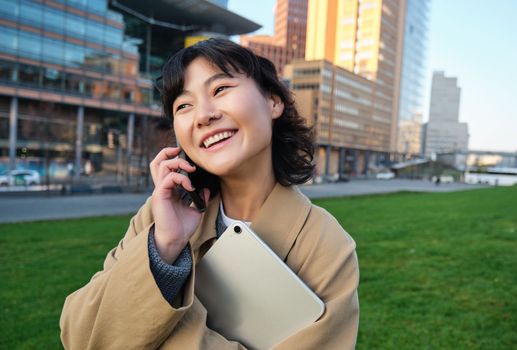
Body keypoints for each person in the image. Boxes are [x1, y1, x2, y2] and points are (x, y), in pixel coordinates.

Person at [60, 38, 359, 349]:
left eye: (220, 89)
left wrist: (154, 325)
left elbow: (108, 336)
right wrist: (165, 246)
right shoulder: (158, 218)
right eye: (183, 105)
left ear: (273, 102)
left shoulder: (326, 244)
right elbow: (79, 336)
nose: (203, 115)